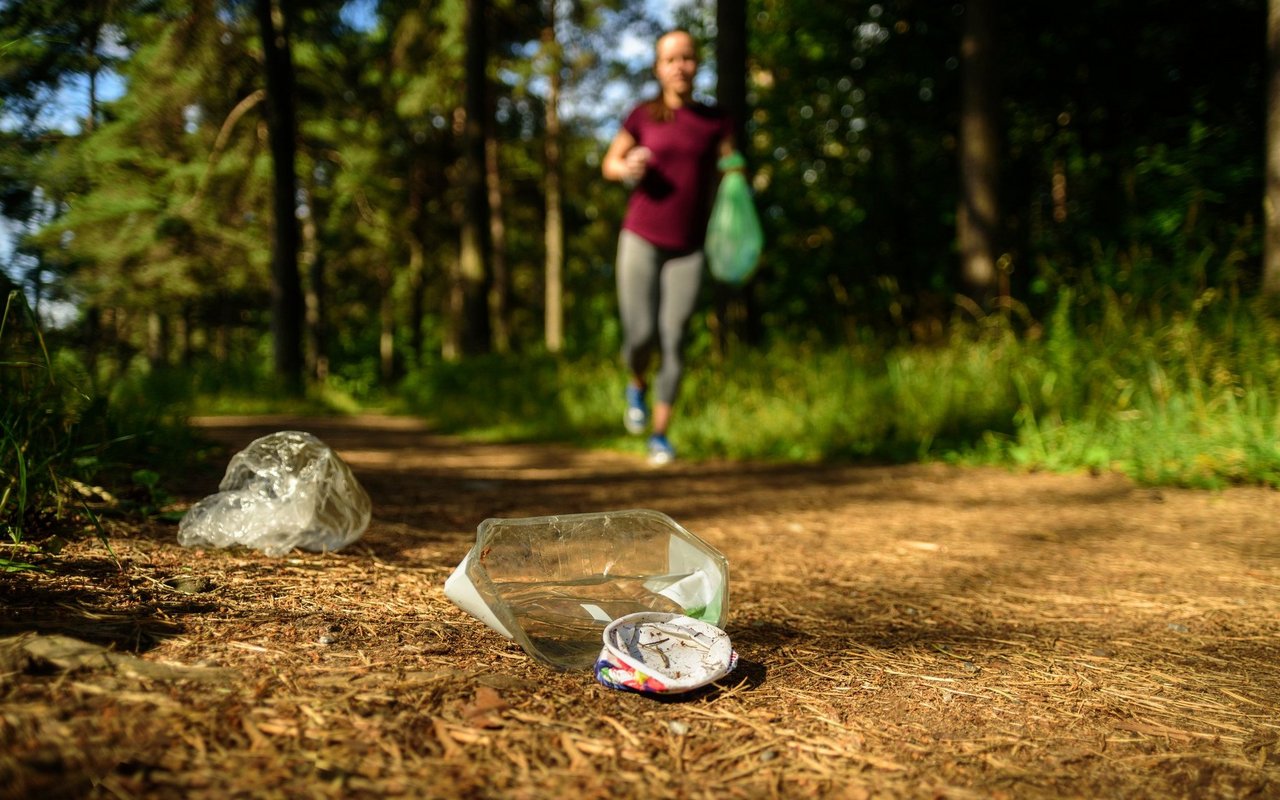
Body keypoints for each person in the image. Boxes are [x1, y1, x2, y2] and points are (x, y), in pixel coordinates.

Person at [601, 29, 735, 465]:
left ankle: (659, 435)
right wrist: (628, 166)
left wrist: (738, 182)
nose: (680, 65)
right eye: (671, 59)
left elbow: (731, 168)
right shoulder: (642, 116)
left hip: (690, 247)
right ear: (659, 68)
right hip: (640, 236)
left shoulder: (715, 121)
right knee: (641, 335)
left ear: (697, 64)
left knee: (674, 338)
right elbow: (610, 162)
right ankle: (636, 381)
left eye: (688, 58)